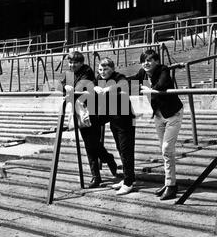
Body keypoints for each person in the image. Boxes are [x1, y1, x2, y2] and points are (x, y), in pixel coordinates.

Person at [130, 49, 183, 200]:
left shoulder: (163, 69)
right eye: (143, 60)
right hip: (159, 116)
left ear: (157, 61)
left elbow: (162, 84)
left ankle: (171, 185)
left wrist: (150, 90)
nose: (146, 63)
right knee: (164, 151)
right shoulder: (142, 73)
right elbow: (131, 80)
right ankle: (169, 183)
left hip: (173, 114)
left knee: (167, 148)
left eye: (149, 60)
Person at [61, 51, 118, 189]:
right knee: (89, 144)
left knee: (92, 143)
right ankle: (101, 168)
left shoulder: (87, 71)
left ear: (81, 63)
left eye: (75, 62)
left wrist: (70, 89)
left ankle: (103, 165)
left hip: (93, 111)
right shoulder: (68, 73)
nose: (72, 65)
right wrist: (65, 88)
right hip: (80, 111)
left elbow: (82, 88)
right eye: (70, 62)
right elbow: (62, 87)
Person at [94, 57, 136, 196]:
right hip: (114, 120)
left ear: (112, 68)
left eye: (106, 69)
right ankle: (127, 178)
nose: (103, 72)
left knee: (126, 150)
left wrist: (107, 89)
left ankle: (129, 183)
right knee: (121, 149)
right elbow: (90, 85)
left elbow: (125, 85)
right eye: (100, 69)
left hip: (125, 119)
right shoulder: (100, 79)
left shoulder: (119, 77)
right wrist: (95, 87)